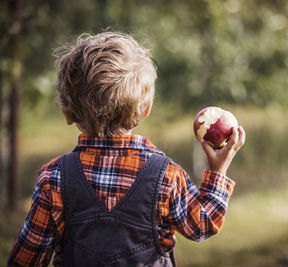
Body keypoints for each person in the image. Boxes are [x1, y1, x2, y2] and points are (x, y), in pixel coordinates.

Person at [7, 32, 245, 266]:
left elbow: (27, 259)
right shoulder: (167, 177)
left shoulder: (53, 178)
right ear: (146, 110)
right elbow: (201, 227)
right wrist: (217, 172)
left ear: (67, 113)